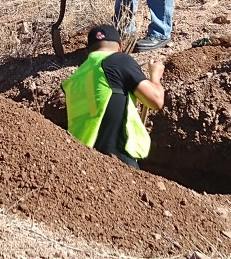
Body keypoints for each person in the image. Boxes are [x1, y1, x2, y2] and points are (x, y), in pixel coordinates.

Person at [62, 24, 164, 169]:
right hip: (116, 161)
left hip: (82, 161)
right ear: (120, 47)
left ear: (87, 52)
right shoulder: (119, 60)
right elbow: (156, 101)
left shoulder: (73, 80)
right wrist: (155, 76)